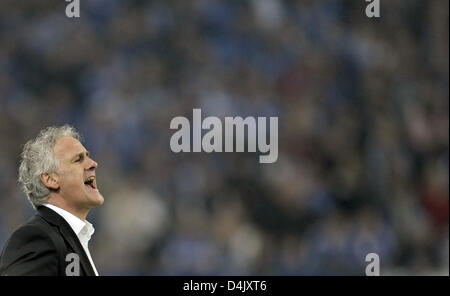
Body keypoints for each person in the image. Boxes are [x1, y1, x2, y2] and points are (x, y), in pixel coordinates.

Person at [0, 125, 104, 276]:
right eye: (78, 159)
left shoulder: (71, 241)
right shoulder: (36, 237)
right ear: (50, 179)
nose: (93, 163)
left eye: (87, 156)